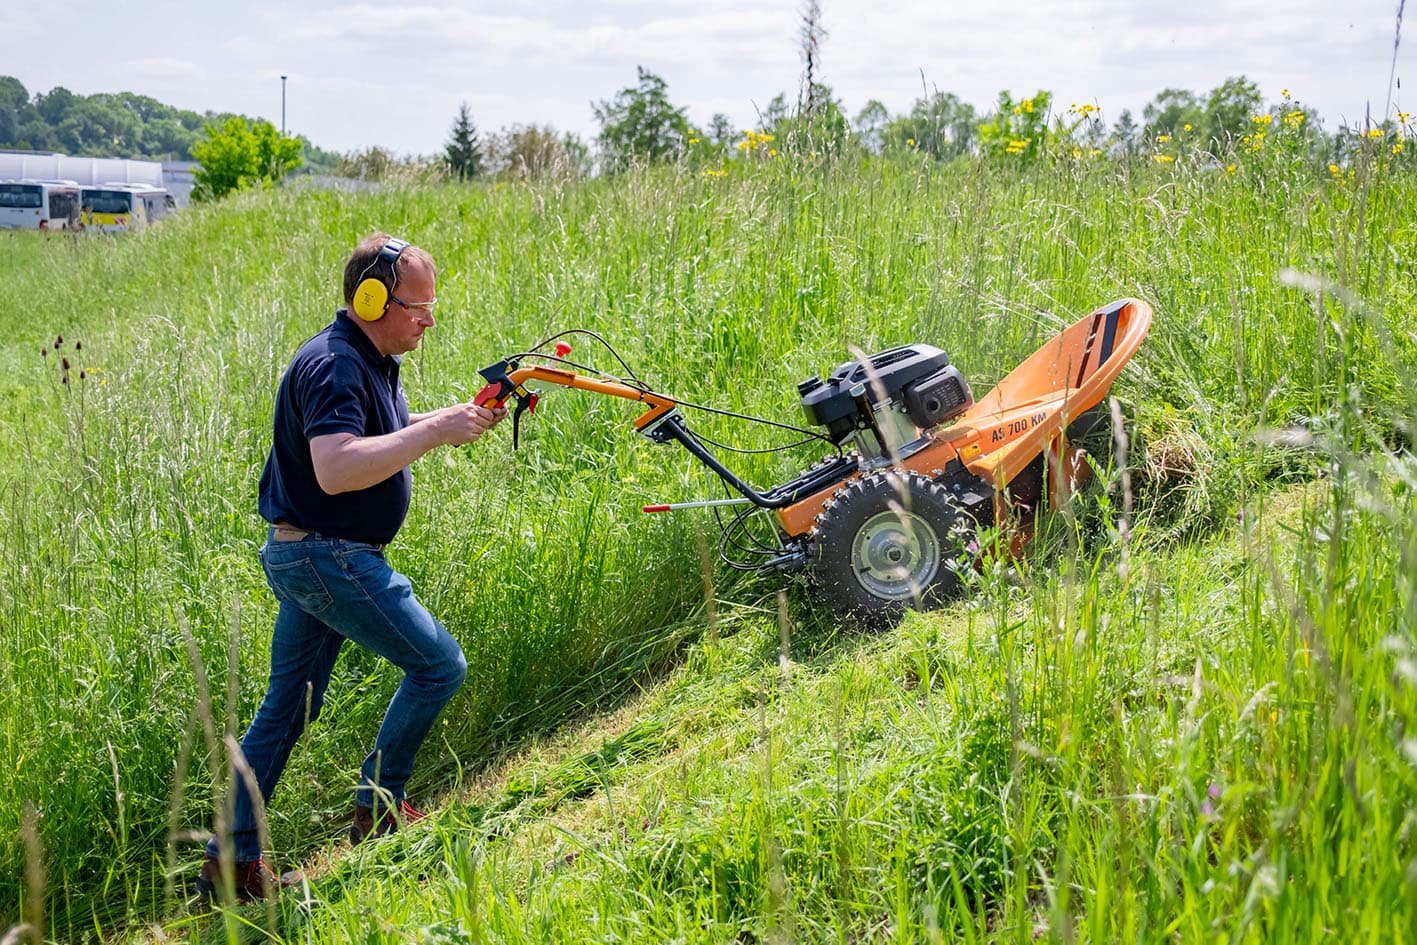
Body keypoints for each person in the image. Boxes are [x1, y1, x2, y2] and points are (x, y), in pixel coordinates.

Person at [197, 233, 506, 904]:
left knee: (287, 709)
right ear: (371, 300)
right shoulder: (335, 365)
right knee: (439, 666)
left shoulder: (368, 358)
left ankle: (229, 864)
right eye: (418, 308)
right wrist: (432, 433)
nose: (428, 321)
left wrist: (454, 417)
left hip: (309, 554)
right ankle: (379, 805)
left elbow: (378, 431)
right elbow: (336, 468)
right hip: (328, 555)